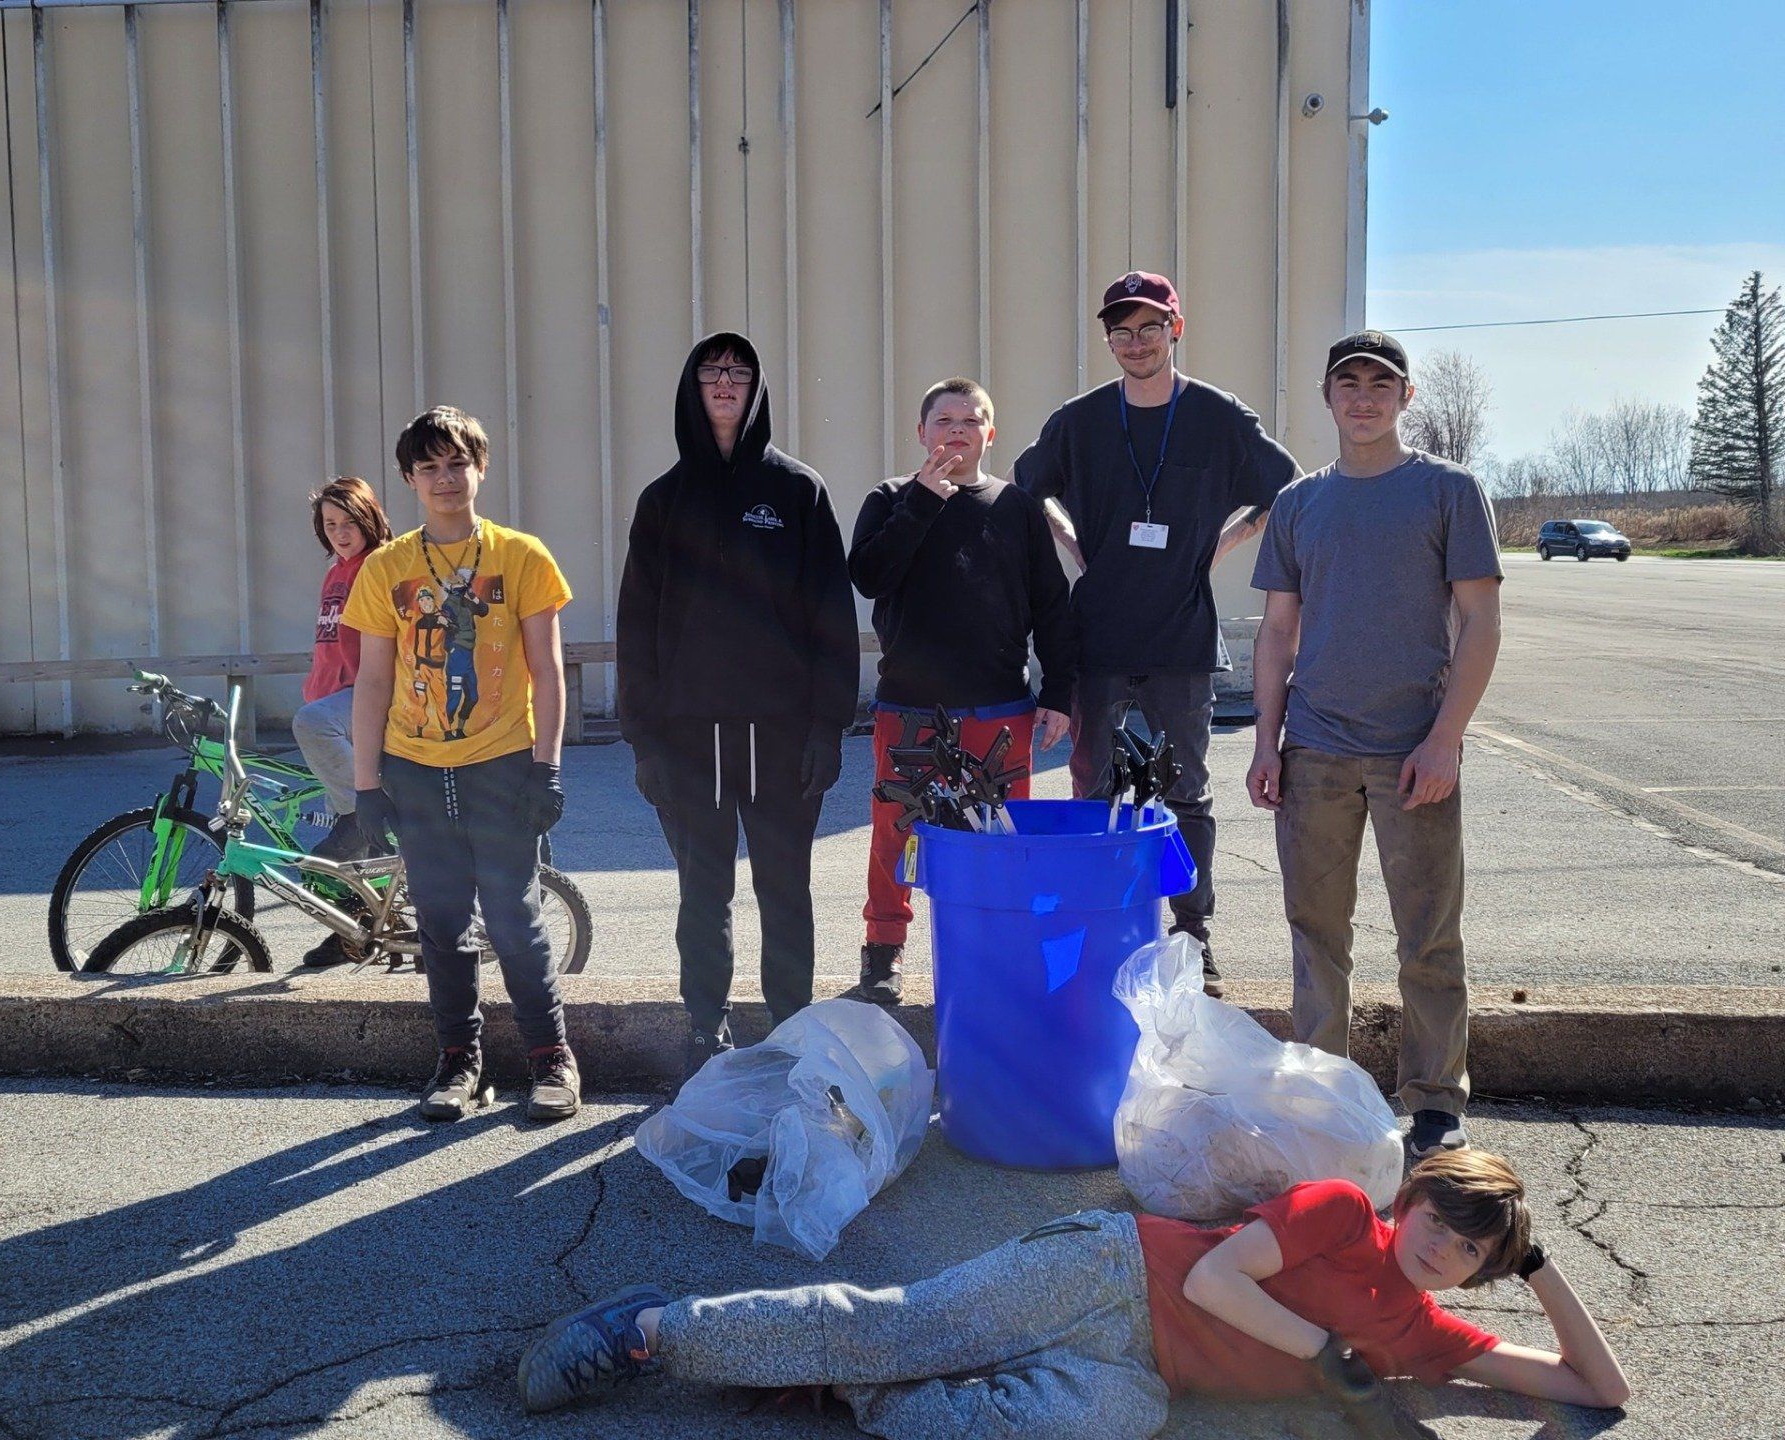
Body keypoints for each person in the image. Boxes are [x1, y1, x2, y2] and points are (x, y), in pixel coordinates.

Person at [516, 1149, 1629, 1436]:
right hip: (1109, 1265)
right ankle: (649, 1332)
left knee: (1108, 1423)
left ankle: (847, 1387)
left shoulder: (1429, 1331)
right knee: (914, 1327)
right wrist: (1328, 1358)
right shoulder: (1342, 1210)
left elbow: (1596, 1389)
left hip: (1137, 1371)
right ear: (1413, 1201)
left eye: (1475, 1251)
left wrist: (1539, 1262)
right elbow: (1213, 1274)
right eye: (1445, 1220)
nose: (1445, 1251)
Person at [1247, 331, 1504, 1162]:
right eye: (1348, 383)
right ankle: (1328, 1096)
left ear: (1406, 396)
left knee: (1428, 935)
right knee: (1315, 931)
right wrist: (1265, 741)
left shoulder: (1448, 491)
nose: (1364, 398)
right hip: (1314, 750)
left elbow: (1482, 621)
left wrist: (1444, 741)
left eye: (1380, 384)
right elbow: (1278, 631)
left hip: (1412, 755)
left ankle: (1434, 1103)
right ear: (1327, 397)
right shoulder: (1298, 503)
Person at [1015, 271, 1300, 998]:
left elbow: (1286, 488)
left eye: (1149, 327)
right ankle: (1102, 925)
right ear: (1108, 340)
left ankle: (1192, 933)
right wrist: (1071, 540)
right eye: (1121, 331)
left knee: (1188, 793)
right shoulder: (1079, 421)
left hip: (1182, 639)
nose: (1135, 343)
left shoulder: (1218, 417)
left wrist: (1222, 546)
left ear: (1176, 328)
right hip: (1098, 638)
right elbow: (1026, 488)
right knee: (1093, 790)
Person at [616, 332, 860, 1084]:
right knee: (704, 890)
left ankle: (790, 1025)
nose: (725, 383)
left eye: (739, 371)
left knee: (784, 886)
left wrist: (828, 726)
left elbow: (831, 617)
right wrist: (645, 743)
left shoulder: (797, 492)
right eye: (712, 372)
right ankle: (705, 1024)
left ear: (756, 388)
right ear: (693, 387)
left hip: (782, 734)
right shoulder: (664, 500)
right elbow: (636, 628)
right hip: (689, 736)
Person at [342, 405, 579, 1124]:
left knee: (515, 918)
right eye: (429, 467)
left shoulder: (522, 556)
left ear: (481, 467)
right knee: (441, 924)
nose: (446, 479)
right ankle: (458, 1061)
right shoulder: (387, 567)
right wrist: (367, 786)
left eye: (457, 464)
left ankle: (551, 1058)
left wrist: (547, 769)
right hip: (415, 770)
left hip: (501, 765)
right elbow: (374, 681)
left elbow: (549, 671)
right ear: (409, 480)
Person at [847, 377, 1076, 1003]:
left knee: (1001, 838)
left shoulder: (1016, 508)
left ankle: (997, 948)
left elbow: (1052, 606)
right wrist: (924, 498)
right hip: (911, 708)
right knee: (897, 831)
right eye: (943, 420)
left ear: (989, 434)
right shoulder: (891, 498)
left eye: (971, 420)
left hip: (999, 708)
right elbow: (869, 575)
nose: (956, 430)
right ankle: (884, 952)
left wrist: (1060, 691)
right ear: (921, 433)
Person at [290, 477, 393, 968]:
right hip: (337, 696)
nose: (340, 532)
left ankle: (362, 813)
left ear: (369, 519)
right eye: (330, 524)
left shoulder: (378, 565)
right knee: (344, 854)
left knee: (312, 726)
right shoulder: (336, 572)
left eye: (350, 522)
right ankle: (355, 931)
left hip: (370, 697)